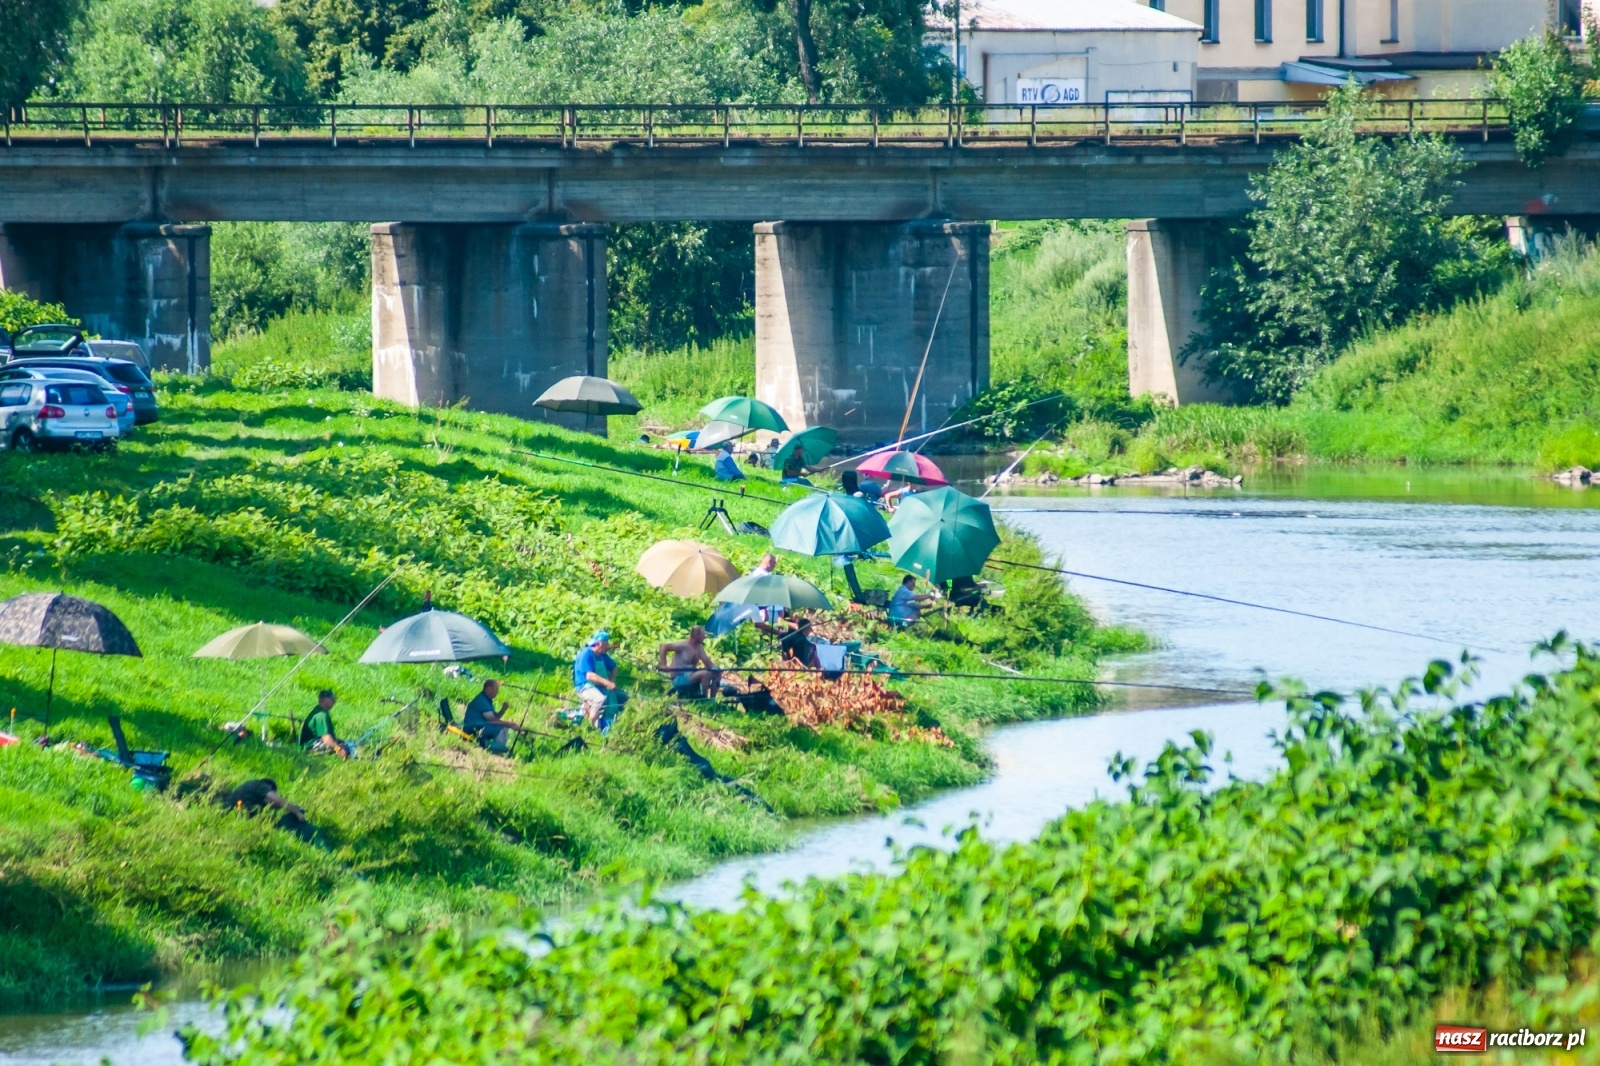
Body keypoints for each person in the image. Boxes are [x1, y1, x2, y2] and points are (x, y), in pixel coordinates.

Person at [218, 777, 317, 843]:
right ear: (270, 788)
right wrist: (296, 811)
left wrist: (289, 807)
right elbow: (276, 800)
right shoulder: (259, 785)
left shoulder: (248, 792)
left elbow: (273, 804)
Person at [574, 630, 624, 730]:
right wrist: (607, 683)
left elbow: (614, 667)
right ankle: (590, 726)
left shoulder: (602, 655)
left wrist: (612, 681)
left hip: (599, 686)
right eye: (606, 644)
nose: (608, 646)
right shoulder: (586, 653)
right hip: (585, 686)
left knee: (622, 697)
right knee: (599, 699)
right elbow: (590, 676)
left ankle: (612, 721)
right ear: (599, 644)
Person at [462, 679, 528, 753]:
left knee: (503, 726)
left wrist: (503, 710)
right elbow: (493, 721)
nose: (497, 692)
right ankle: (498, 751)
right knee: (501, 728)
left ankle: (500, 749)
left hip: (481, 727)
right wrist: (511, 724)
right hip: (473, 729)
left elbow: (494, 719)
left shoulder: (487, 700)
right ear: (488, 689)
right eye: (496, 689)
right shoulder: (481, 701)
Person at [658, 625, 721, 699]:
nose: (705, 637)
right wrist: (663, 664)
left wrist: (717, 669)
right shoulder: (683, 645)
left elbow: (708, 663)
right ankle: (704, 699)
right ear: (696, 636)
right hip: (679, 678)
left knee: (717, 674)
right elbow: (663, 647)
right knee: (705, 674)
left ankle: (712, 700)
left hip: (691, 675)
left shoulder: (699, 647)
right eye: (703, 635)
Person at [299, 690, 349, 758]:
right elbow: (326, 738)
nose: (334, 701)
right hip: (309, 746)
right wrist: (338, 750)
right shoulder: (321, 715)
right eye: (332, 699)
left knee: (342, 743)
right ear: (324, 699)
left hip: (310, 744)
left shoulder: (318, 711)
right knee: (345, 748)